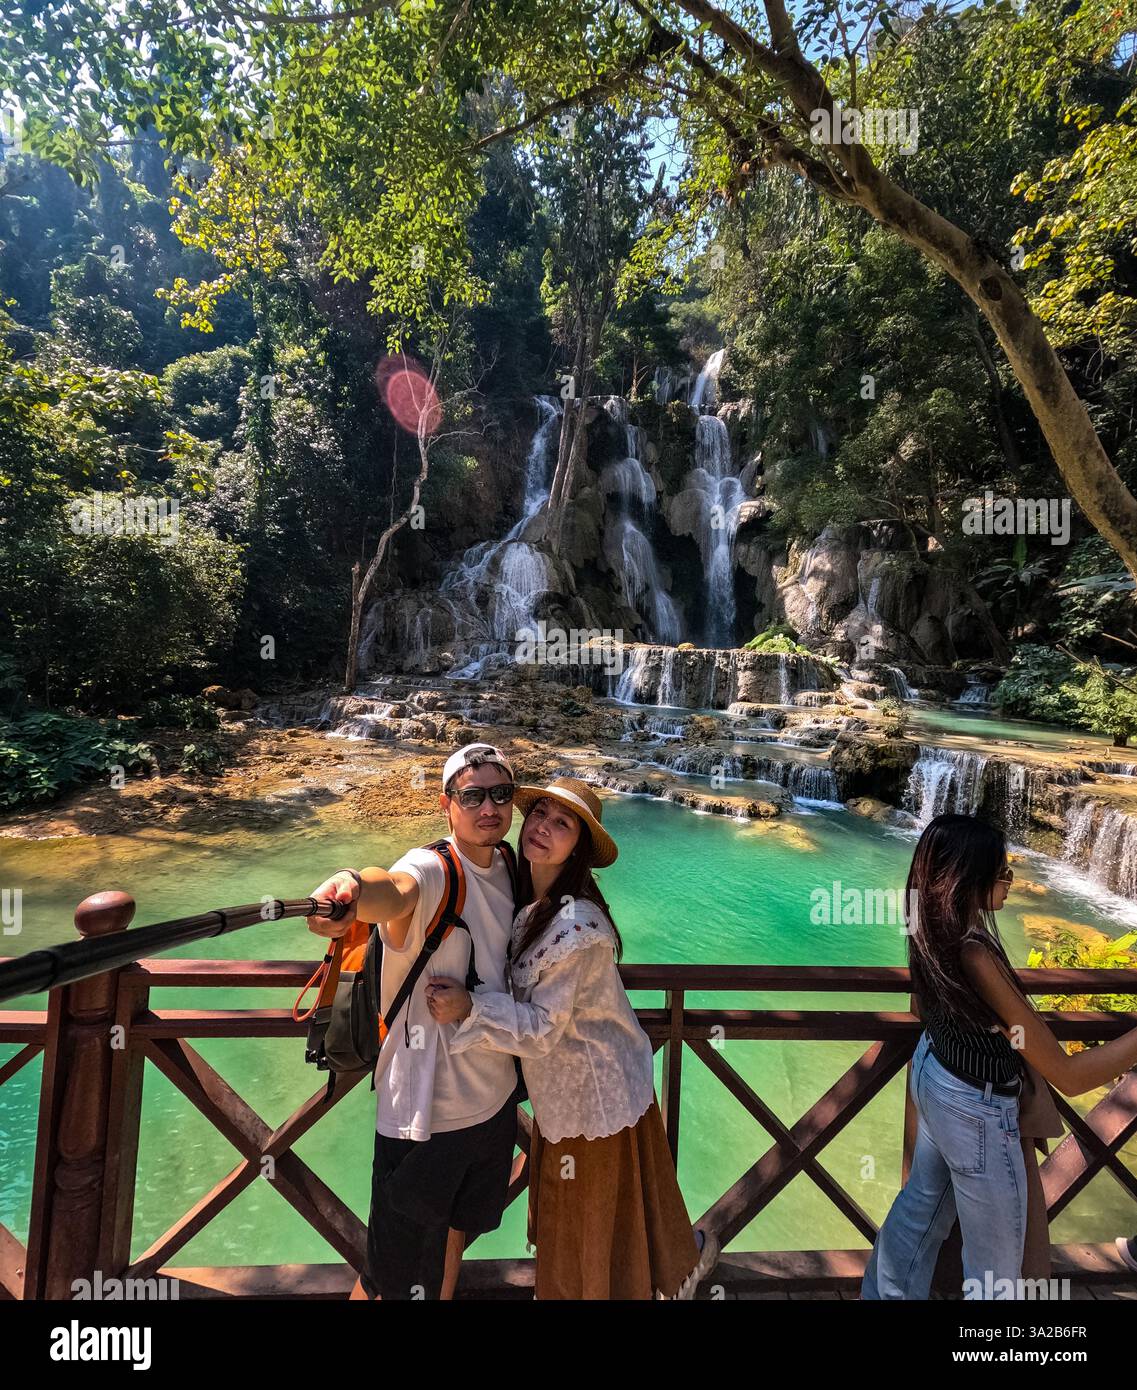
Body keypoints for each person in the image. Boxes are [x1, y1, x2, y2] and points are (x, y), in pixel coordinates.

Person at [426, 776, 718, 1299]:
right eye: (539, 813)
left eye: (563, 824)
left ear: (578, 846)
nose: (543, 828)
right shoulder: (528, 899)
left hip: (595, 1097)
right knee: (598, 1218)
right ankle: (669, 1269)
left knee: (590, 1224)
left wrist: (470, 1007)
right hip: (575, 1094)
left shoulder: (576, 925)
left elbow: (539, 1030)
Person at [863, 813, 1137, 1300]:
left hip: (936, 1072)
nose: (1011, 881)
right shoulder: (975, 954)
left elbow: (922, 1009)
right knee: (997, 1276)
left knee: (919, 1213)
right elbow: (1070, 1076)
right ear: (966, 879)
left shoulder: (925, 923)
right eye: (1002, 870)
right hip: (976, 1108)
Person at [305, 742, 523, 1301]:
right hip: (426, 1115)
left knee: (452, 1240)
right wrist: (353, 889)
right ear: (447, 804)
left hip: (494, 1103)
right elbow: (393, 889)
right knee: (391, 1278)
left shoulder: (509, 865)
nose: (488, 807)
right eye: (472, 796)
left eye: (501, 794)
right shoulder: (432, 868)